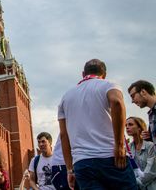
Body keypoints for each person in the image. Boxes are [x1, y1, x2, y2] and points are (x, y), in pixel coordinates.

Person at [58, 58, 137, 189]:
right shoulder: (109, 85)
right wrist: (119, 145)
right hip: (111, 157)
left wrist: (69, 169)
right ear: (104, 74)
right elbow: (117, 102)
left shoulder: (66, 97)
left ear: (83, 74)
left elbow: (63, 135)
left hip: (82, 163)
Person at [126, 116, 156, 189]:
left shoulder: (150, 146)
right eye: (126, 125)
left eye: (130, 124)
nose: (127, 127)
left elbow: (152, 171)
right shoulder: (127, 148)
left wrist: (134, 183)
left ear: (139, 127)